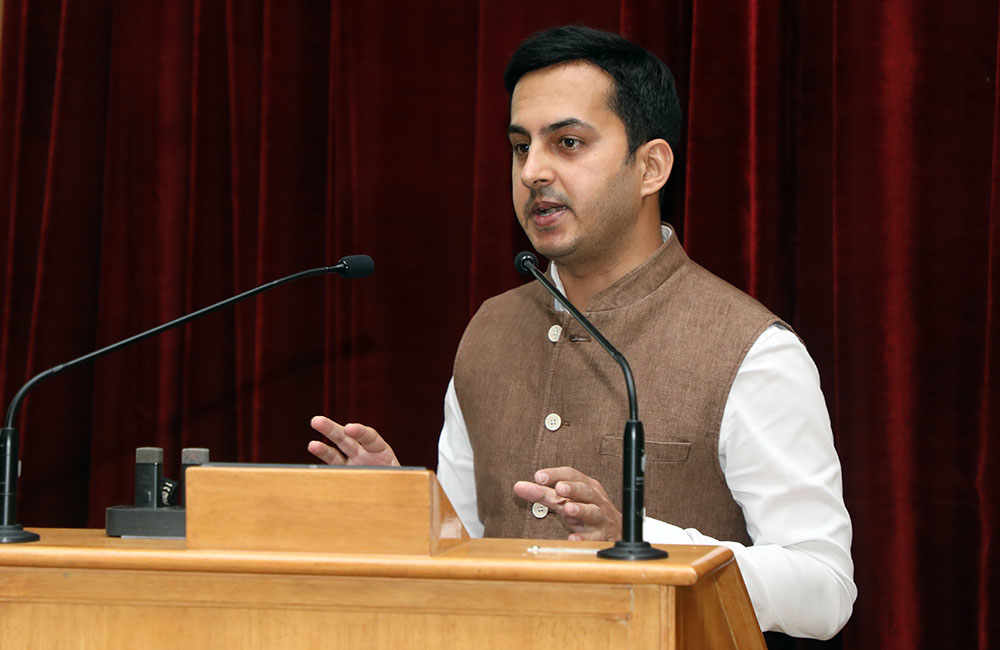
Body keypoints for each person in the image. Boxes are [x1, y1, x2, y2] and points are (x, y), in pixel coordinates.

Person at [308, 25, 856, 640]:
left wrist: (637, 537)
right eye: (521, 147)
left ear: (651, 166)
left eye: (567, 142)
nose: (532, 172)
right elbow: (467, 547)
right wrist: (399, 509)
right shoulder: (490, 330)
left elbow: (824, 588)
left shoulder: (752, 350)